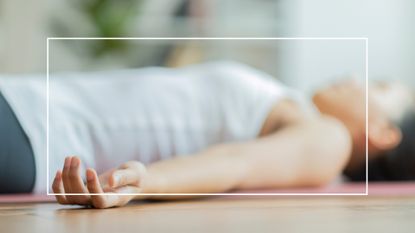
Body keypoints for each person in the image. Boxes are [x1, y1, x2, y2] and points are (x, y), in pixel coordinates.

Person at [0, 61, 413, 208]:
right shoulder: (296, 111)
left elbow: (235, 165)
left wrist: (142, 182)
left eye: (376, 86)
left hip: (33, 134)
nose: (355, 77)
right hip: (26, 104)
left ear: (382, 133)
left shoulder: (331, 140)